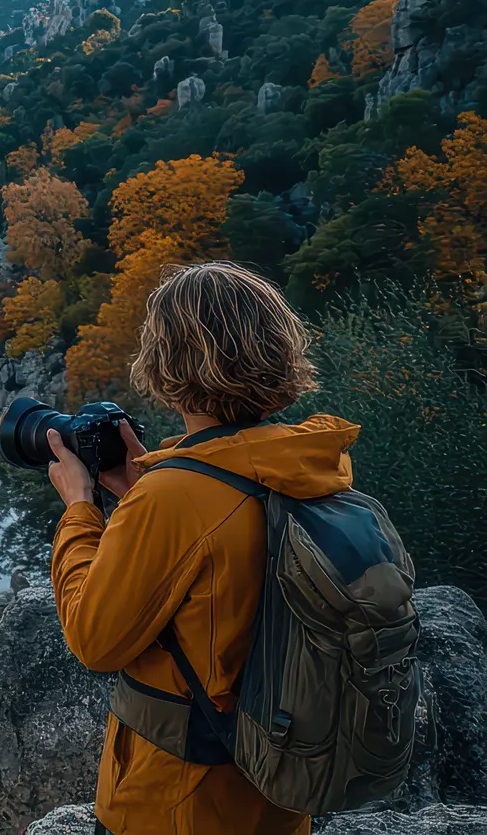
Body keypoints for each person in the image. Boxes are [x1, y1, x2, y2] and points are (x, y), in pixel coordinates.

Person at [45, 261, 349, 835]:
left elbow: (94, 639)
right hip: (280, 792)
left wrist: (81, 507)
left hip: (176, 804)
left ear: (167, 360)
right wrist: (142, 495)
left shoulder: (176, 498)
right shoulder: (310, 465)